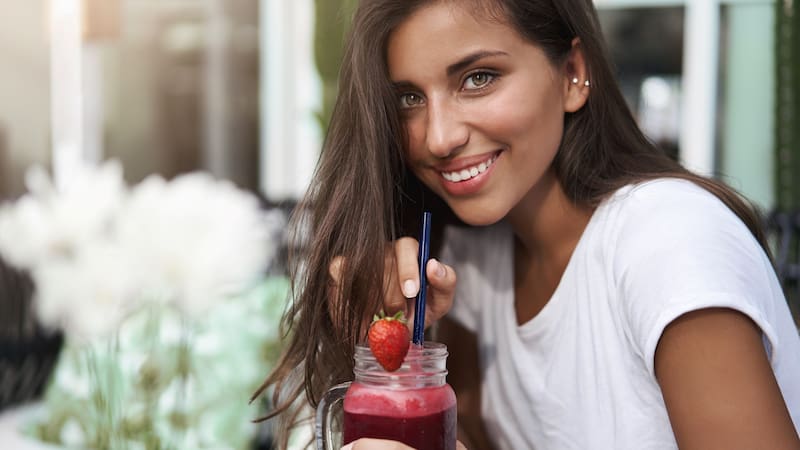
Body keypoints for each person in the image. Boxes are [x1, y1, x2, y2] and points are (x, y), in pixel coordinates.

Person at [252, 0, 800, 448]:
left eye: (478, 78)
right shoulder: (466, 259)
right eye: (409, 99)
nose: (438, 137)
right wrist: (382, 352)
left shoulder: (669, 239)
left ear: (572, 74)